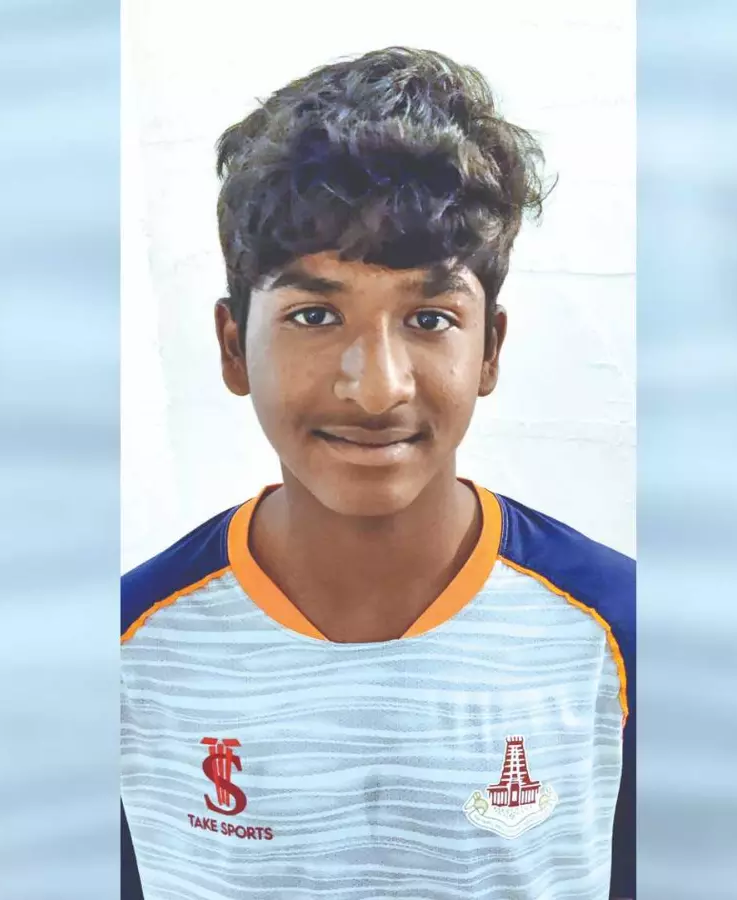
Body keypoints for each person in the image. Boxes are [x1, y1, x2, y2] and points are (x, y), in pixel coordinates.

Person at [121, 46, 634, 900]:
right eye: (314, 315)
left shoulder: (622, 638)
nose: (377, 387)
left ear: (490, 350)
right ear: (232, 346)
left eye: (429, 318)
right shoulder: (128, 652)